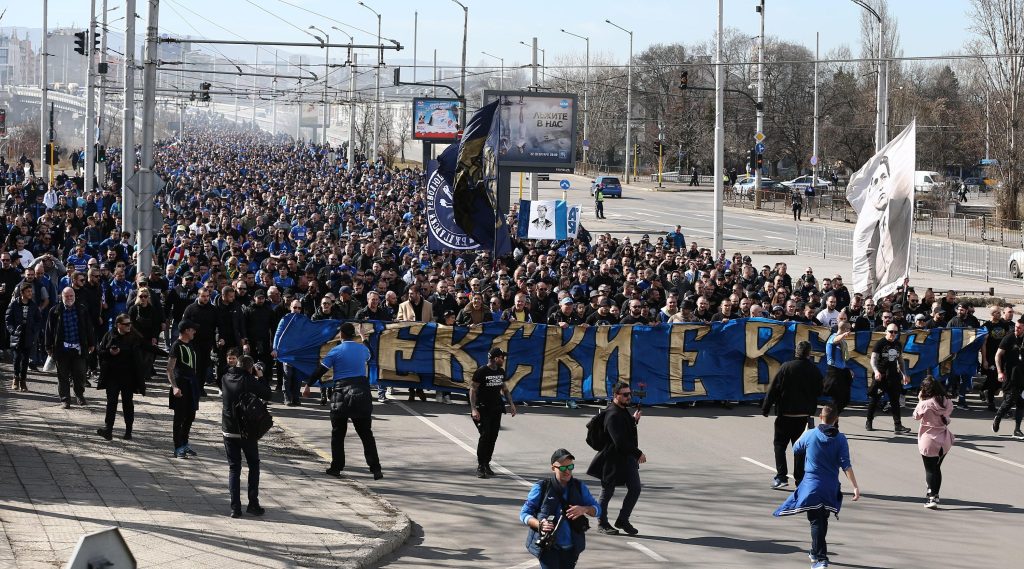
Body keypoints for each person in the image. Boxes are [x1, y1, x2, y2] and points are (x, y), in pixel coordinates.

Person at [773, 404, 860, 569]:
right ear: (837, 419)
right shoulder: (841, 439)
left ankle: (821, 558)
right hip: (830, 487)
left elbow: (796, 448)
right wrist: (855, 486)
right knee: (822, 519)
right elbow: (846, 465)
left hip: (812, 487)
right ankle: (815, 551)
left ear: (821, 417)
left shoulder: (811, 434)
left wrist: (806, 432)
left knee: (816, 521)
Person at [302, 322, 383, 480]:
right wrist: (363, 337)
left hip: (341, 394)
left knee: (338, 434)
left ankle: (336, 467)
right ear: (353, 335)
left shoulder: (336, 351)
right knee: (366, 434)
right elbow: (371, 355)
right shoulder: (362, 350)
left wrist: (308, 385)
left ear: (341, 335)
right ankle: (375, 468)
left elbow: (321, 370)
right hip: (361, 392)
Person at [520, 449, 601, 569]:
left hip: (571, 547)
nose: (567, 471)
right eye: (563, 468)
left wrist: (584, 509)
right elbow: (524, 514)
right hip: (548, 547)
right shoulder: (541, 488)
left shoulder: (579, 487)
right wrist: (540, 525)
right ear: (553, 468)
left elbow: (598, 510)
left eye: (570, 467)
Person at [762, 341, 823, 489]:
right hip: (803, 415)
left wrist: (766, 407)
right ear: (809, 353)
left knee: (780, 445)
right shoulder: (814, 370)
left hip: (785, 414)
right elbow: (820, 390)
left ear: (796, 352)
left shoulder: (786, 367)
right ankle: (800, 479)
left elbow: (774, 389)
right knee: (800, 448)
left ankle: (782, 477)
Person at [588, 381, 645, 536]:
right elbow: (619, 440)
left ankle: (622, 520)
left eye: (629, 394)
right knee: (607, 491)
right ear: (616, 396)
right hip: (612, 460)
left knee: (635, 488)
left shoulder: (621, 410)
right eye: (625, 395)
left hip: (626, 459)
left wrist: (633, 420)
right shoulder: (612, 414)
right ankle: (602, 522)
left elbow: (623, 430)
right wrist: (638, 453)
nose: (629, 397)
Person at [96, 314, 166, 441]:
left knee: (127, 403)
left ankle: (128, 431)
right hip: (112, 375)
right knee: (111, 402)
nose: (129, 326)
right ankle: (108, 429)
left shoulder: (134, 337)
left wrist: (168, 354)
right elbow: (100, 352)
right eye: (126, 324)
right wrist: (110, 353)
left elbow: (148, 347)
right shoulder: (110, 335)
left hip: (128, 376)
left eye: (130, 324)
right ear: (118, 325)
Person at [221, 355, 273, 518]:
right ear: (250, 368)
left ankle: (235, 508)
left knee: (234, 468)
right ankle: (253, 503)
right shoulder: (248, 380)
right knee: (253, 465)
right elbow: (267, 394)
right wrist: (260, 376)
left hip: (228, 429)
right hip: (246, 430)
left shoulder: (225, 377)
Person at [45, 287, 97, 409]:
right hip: (62, 349)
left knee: (80, 375)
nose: (69, 298)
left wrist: (91, 343)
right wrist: (48, 346)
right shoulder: (55, 311)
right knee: (62, 376)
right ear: (61, 297)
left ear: (74, 296)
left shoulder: (82, 309)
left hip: (78, 348)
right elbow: (49, 330)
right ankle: (65, 400)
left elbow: (89, 328)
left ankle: (79, 396)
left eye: (71, 296)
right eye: (66, 296)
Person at [470, 347, 518, 478]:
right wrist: (474, 408)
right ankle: (480, 465)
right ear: (496, 358)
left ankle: (487, 464)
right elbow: (473, 389)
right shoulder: (481, 371)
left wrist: (511, 404)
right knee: (485, 436)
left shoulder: (501, 371)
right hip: (482, 409)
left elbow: (505, 389)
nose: (504, 360)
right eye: (503, 357)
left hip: (496, 409)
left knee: (493, 437)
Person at [913, 376, 954, 509]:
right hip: (944, 440)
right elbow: (947, 414)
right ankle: (935, 494)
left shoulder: (925, 404)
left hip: (929, 440)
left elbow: (916, 416)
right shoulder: (947, 401)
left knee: (930, 470)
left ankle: (932, 496)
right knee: (936, 468)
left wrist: (920, 400)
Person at [866, 323, 912, 434]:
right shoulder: (880, 343)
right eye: (891, 331)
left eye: (895, 332)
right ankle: (869, 421)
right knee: (874, 400)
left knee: (895, 402)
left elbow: (900, 361)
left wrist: (904, 374)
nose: (893, 334)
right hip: (880, 376)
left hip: (893, 377)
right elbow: (873, 360)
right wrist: (876, 371)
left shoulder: (898, 344)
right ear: (886, 331)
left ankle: (898, 426)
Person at [168, 321, 201, 459]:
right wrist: (175, 387)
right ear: (187, 330)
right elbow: (169, 369)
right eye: (193, 330)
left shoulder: (190, 344)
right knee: (179, 417)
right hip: (181, 385)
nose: (194, 332)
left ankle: (185, 443)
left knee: (190, 416)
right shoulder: (177, 345)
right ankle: (178, 447)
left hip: (192, 384)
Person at [6, 283, 42, 392]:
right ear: (22, 293)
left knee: (26, 359)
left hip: (28, 335)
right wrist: (13, 331)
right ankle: (16, 378)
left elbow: (38, 320)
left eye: (31, 291)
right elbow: (8, 319)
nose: (30, 293)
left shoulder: (33, 305)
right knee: (17, 358)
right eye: (28, 291)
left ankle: (23, 380)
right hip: (17, 335)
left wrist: (34, 330)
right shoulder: (14, 304)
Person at [993, 316, 1024, 439]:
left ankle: (1017, 430)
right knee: (1010, 400)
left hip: (1023, 376)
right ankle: (998, 417)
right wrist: (1000, 372)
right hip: (1010, 375)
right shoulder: (1009, 337)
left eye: (1020, 328)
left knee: (1021, 404)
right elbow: (998, 355)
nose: (1017, 329)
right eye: (1016, 327)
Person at [823, 321, 854, 415]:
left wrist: (847, 369)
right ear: (845, 329)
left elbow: (842, 359)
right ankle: (830, 417)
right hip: (834, 371)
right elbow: (835, 340)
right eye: (849, 328)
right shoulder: (833, 337)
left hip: (842, 371)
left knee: (845, 398)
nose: (850, 331)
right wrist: (844, 335)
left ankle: (834, 415)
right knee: (837, 397)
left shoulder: (843, 342)